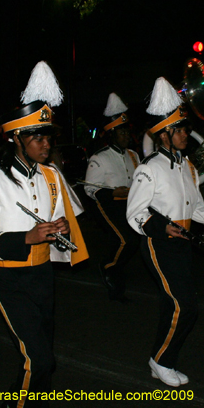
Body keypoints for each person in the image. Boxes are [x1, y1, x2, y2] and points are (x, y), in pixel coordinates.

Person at [0, 61, 88, 408]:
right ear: (15, 138)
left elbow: (59, 219)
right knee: (38, 358)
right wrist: (27, 237)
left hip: (43, 273)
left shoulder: (50, 175)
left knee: (43, 353)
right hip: (7, 277)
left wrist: (58, 228)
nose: (46, 143)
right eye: (37, 136)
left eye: (48, 135)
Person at [126, 77, 204, 387]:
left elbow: (195, 210)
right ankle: (161, 361)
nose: (184, 134)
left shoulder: (187, 166)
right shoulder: (148, 168)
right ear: (164, 134)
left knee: (174, 304)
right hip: (158, 244)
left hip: (182, 244)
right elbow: (134, 214)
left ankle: (160, 360)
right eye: (179, 130)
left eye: (183, 128)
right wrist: (160, 226)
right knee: (185, 305)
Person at [84, 93, 140, 301]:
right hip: (108, 206)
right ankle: (108, 267)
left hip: (130, 205)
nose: (127, 136)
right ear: (113, 134)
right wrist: (112, 192)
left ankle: (115, 265)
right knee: (127, 240)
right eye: (122, 132)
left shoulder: (134, 156)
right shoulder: (100, 158)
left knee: (134, 241)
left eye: (128, 131)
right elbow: (89, 189)